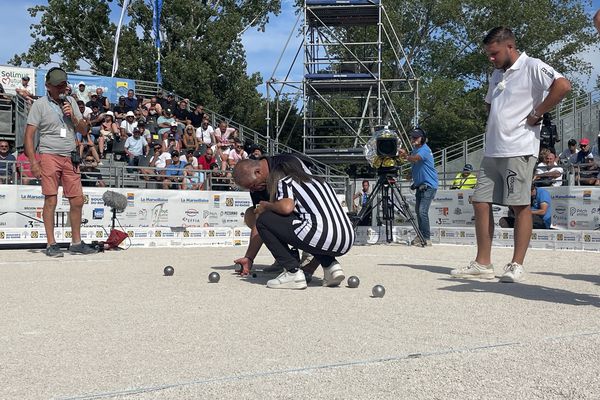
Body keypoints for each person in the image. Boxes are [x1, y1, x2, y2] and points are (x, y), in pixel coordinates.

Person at [450, 27, 570, 283]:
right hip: (493, 149)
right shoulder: (496, 74)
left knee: (520, 205)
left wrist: (537, 113)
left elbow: (563, 85)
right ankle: (483, 263)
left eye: (494, 54)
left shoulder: (532, 66)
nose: (491, 59)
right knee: (480, 203)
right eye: (488, 54)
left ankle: (516, 264)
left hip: (519, 147)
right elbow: (490, 104)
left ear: (509, 47)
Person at [23, 67, 98, 257]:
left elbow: (83, 131)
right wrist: (33, 162)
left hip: (70, 156)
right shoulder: (39, 105)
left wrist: (72, 116)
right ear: (48, 86)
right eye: (58, 86)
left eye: (64, 84)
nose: (62, 88)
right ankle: (51, 244)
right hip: (49, 155)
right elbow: (29, 136)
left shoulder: (71, 101)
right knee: (51, 199)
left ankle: (76, 242)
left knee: (78, 200)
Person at [253, 159, 354, 289]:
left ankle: (292, 272)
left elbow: (286, 208)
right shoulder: (322, 181)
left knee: (264, 220)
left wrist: (265, 206)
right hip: (346, 239)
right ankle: (331, 266)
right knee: (310, 229)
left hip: (322, 235)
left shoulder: (286, 182)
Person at [232, 155, 320, 279]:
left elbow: (303, 203)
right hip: (291, 216)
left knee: (279, 212)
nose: (253, 190)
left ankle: (310, 254)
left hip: (312, 215)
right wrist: (249, 258)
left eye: (252, 185)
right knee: (251, 214)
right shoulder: (258, 186)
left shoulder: (288, 163)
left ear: (257, 172)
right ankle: (283, 257)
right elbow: (260, 221)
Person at [398, 128, 438, 246]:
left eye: (416, 137)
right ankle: (421, 235)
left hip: (428, 186)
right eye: (412, 137)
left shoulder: (424, 150)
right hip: (420, 186)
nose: (413, 139)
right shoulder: (416, 150)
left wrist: (405, 155)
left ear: (422, 138)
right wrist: (410, 174)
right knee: (419, 211)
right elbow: (417, 164)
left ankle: (426, 237)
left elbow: (415, 159)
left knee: (422, 211)